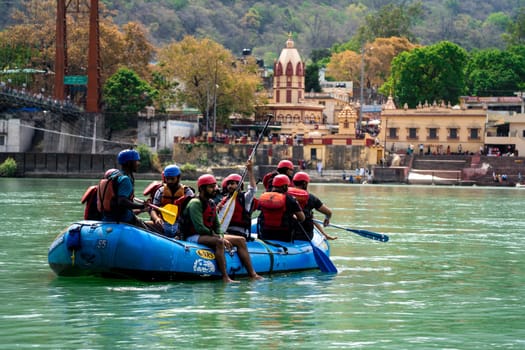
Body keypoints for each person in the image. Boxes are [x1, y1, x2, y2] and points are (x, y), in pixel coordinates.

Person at [181, 174, 263, 283]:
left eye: (215, 186)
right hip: (193, 236)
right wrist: (219, 237)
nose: (215, 189)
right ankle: (225, 277)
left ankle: (252, 274)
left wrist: (220, 234)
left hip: (207, 234)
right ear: (201, 189)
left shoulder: (211, 203)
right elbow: (199, 228)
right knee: (219, 242)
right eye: (211, 187)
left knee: (241, 240)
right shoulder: (195, 203)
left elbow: (217, 225)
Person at [98, 149, 150, 230]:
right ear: (129, 163)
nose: (138, 164)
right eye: (136, 161)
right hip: (124, 220)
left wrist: (141, 209)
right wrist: (142, 206)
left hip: (107, 219)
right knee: (148, 230)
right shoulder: (125, 179)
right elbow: (122, 201)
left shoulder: (115, 175)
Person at [149, 164, 194, 237]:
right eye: (167, 179)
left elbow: (192, 212)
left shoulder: (187, 192)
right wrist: (157, 218)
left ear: (178, 177)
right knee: (144, 224)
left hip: (180, 225)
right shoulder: (160, 191)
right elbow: (153, 209)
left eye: (172, 179)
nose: (169, 181)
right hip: (164, 223)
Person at [257, 174, 305, 242]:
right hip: (283, 235)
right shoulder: (289, 199)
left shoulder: (264, 197)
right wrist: (293, 216)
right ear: (284, 186)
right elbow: (302, 218)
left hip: (265, 233)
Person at [291, 171, 337, 241]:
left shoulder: (286, 195)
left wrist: (323, 234)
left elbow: (310, 217)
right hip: (304, 236)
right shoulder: (311, 198)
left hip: (287, 234)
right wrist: (327, 218)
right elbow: (328, 212)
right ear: (305, 183)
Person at [218, 159, 257, 240]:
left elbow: (252, 190)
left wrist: (250, 170)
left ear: (239, 185)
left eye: (232, 184)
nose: (229, 186)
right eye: (228, 184)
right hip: (225, 231)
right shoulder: (225, 199)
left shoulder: (245, 198)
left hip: (239, 233)